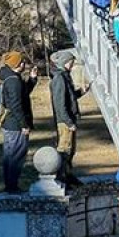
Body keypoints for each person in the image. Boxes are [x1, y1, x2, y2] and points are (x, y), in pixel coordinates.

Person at [0, 51, 38, 194]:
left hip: (9, 123)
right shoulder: (14, 81)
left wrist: (32, 79)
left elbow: (23, 93)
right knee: (16, 155)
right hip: (15, 125)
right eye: (22, 62)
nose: (24, 64)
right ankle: (12, 186)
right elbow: (16, 105)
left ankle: (9, 185)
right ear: (18, 64)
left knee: (9, 155)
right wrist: (24, 125)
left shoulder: (9, 77)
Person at [49, 48, 89, 187]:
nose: (72, 65)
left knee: (71, 149)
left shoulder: (65, 76)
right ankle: (62, 176)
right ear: (65, 62)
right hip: (64, 121)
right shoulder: (59, 78)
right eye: (71, 62)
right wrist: (68, 121)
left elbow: (69, 97)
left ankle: (68, 174)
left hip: (68, 118)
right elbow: (60, 104)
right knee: (65, 149)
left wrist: (81, 92)